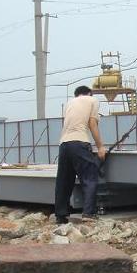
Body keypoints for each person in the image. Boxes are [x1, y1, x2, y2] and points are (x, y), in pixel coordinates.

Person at [54, 85, 107, 223]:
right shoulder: (92, 100)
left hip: (64, 144)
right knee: (89, 177)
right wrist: (100, 147)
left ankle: (61, 215)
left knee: (64, 181)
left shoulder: (69, 103)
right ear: (89, 93)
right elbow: (92, 124)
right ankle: (88, 213)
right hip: (80, 142)